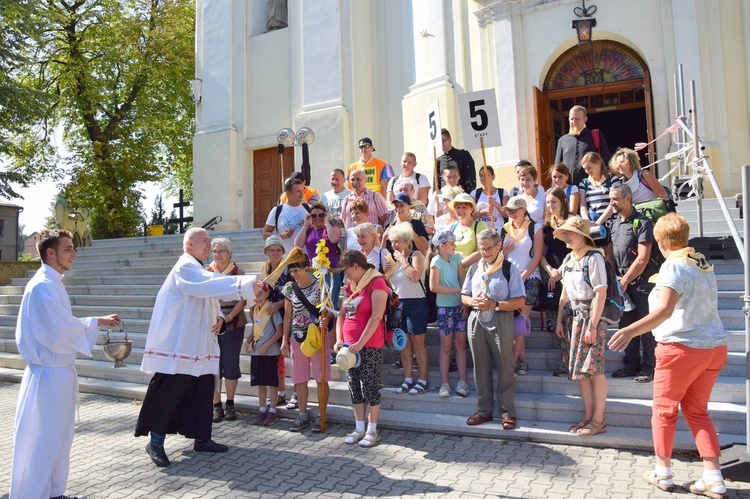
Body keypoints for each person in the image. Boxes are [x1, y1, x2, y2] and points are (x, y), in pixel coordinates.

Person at [609, 214, 729, 498]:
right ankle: (714, 478)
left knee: (663, 412)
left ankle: (662, 472)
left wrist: (629, 331)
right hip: (713, 347)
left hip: (682, 348)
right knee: (698, 412)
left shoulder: (673, 266)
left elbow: (663, 311)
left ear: (661, 242)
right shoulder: (702, 265)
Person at [135, 228, 262, 467]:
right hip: (179, 345)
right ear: (188, 244)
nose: (208, 245)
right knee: (169, 393)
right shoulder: (185, 267)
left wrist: (220, 319)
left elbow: (208, 295)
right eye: (204, 241)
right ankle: (156, 442)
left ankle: (202, 438)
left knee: (202, 391)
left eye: (209, 241)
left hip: (199, 344)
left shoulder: (197, 268)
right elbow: (203, 286)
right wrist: (246, 284)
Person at [10, 229, 120, 499]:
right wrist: (94, 321)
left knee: (59, 439)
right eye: (68, 248)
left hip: (57, 375)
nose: (75, 253)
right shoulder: (42, 286)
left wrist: (97, 320)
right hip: (48, 376)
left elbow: (60, 325)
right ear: (51, 252)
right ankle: (32, 494)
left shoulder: (53, 282)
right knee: (43, 440)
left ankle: (53, 492)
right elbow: (59, 331)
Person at [461, 229, 525, 428]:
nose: (485, 253)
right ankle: (484, 410)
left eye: (489, 248)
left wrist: (495, 305)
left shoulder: (509, 269)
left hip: (501, 319)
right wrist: (473, 301)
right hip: (477, 319)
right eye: (481, 249)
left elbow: (520, 301)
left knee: (505, 366)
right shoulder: (474, 268)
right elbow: (464, 296)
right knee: (480, 366)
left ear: (499, 246)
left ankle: (507, 412)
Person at [554, 216, 609, 437]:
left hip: (590, 318)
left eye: (570, 233)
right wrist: (559, 319)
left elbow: (600, 292)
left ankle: (598, 420)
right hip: (574, 318)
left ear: (583, 236)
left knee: (595, 370)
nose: (566, 236)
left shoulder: (593, 257)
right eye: (564, 233)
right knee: (581, 372)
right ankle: (588, 416)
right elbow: (564, 293)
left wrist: (593, 325)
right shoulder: (569, 259)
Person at [335, 250, 389, 448]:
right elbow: (341, 314)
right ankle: (359, 427)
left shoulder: (377, 282)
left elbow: (376, 316)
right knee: (354, 387)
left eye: (347, 270)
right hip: (349, 348)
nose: (345, 275)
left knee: (370, 387)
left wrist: (361, 343)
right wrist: (340, 338)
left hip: (370, 345)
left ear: (357, 266)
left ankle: (372, 430)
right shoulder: (351, 285)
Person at [608, 183, 658, 383]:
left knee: (645, 326)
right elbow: (610, 254)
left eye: (615, 199)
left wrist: (625, 280)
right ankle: (631, 364)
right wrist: (615, 279)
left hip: (642, 283)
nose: (612, 202)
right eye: (611, 199)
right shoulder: (614, 224)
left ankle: (648, 367)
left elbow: (643, 258)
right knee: (626, 324)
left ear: (627, 198)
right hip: (622, 284)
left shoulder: (643, 222)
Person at [280, 257, 332, 433]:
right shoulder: (289, 288)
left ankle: (321, 415)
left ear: (306, 268)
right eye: (292, 271)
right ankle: (302, 414)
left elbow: (330, 310)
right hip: (297, 335)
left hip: (317, 335)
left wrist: (325, 320)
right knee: (299, 377)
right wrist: (284, 340)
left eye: (297, 270)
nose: (295, 274)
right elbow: (288, 316)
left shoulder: (320, 284)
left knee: (321, 377)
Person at [500, 196, 544, 376]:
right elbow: (498, 256)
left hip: (530, 277)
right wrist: (504, 252)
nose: (510, 214)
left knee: (520, 321)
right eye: (508, 211)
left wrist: (524, 275)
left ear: (523, 210)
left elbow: (537, 255)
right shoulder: (503, 229)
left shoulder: (535, 228)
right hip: (509, 279)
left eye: (513, 211)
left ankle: (510, 365)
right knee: (512, 323)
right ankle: (523, 362)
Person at [208, 237, 248, 423]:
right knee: (213, 366)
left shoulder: (238, 272)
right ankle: (217, 407)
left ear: (230, 253)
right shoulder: (206, 272)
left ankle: (230, 404)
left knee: (231, 365)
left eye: (222, 250)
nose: (218, 254)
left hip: (233, 323)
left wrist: (229, 317)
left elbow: (243, 298)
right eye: (215, 250)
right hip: (211, 324)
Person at [388, 223, 430, 395]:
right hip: (400, 305)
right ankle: (408, 379)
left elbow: (414, 276)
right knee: (403, 344)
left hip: (417, 303)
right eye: (392, 242)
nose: (394, 246)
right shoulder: (393, 261)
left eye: (397, 242)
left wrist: (403, 261)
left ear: (406, 242)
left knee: (418, 344)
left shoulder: (416, 255)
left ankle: (422, 380)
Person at [429, 231, 469, 398]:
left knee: (460, 344)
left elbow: (462, 279)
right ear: (442, 246)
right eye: (451, 243)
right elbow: (434, 287)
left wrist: (464, 300)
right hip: (444, 308)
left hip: (459, 306)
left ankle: (462, 382)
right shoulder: (436, 261)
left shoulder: (457, 258)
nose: (455, 245)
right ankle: (444, 384)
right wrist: (458, 291)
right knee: (446, 346)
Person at [539, 187, 573, 376]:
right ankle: (564, 359)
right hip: (551, 276)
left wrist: (562, 270)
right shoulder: (545, 227)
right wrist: (550, 270)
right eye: (548, 203)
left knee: (569, 318)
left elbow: (577, 250)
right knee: (556, 318)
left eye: (554, 202)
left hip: (570, 274)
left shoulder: (572, 222)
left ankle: (573, 358)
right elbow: (541, 255)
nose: (551, 206)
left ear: (563, 202)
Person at [260, 235, 294, 409]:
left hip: (288, 315)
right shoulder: (264, 269)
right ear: (266, 252)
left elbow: (294, 293)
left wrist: (280, 303)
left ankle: (295, 393)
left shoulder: (288, 269)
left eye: (278, 250)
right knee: (277, 359)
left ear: (283, 252)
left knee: (292, 356)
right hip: (271, 317)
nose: (275, 253)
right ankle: (281, 393)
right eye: (271, 250)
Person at [245, 283, 283, 426]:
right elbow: (254, 330)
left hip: (270, 351)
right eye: (255, 295)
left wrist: (267, 345)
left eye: (260, 294)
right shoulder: (255, 310)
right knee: (260, 381)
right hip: (257, 351)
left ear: (267, 294)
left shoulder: (272, 309)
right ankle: (262, 409)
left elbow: (279, 332)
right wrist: (247, 342)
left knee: (272, 382)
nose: (257, 297)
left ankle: (272, 410)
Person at [294, 201, 342, 307]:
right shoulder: (309, 231)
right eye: (314, 216)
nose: (317, 218)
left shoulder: (333, 228)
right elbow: (297, 245)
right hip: (313, 272)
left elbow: (333, 239)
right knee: (315, 304)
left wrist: (326, 222)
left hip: (331, 272)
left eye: (321, 215)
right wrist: (306, 225)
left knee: (331, 304)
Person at [579, 151, 621, 266]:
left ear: (598, 163)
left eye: (589, 167)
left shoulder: (612, 179)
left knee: (609, 255)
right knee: (594, 255)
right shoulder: (584, 183)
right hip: (592, 223)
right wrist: (587, 221)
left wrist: (599, 222)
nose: (587, 171)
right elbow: (583, 203)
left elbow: (613, 203)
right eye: (585, 169)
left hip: (610, 222)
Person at [555, 105, 612, 186]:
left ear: (585, 119)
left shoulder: (595, 135)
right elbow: (557, 167)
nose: (574, 122)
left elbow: (606, 160)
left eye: (577, 119)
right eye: (572, 119)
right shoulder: (562, 140)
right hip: (569, 188)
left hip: (591, 187)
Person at [263, 177, 310, 254]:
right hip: (286, 259)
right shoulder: (277, 210)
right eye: (298, 191)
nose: (302, 194)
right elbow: (265, 235)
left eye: (302, 190)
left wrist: (310, 226)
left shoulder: (309, 209)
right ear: (288, 193)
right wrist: (281, 236)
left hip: (307, 260)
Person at [447, 193, 487, 258]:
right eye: (458, 207)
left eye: (464, 207)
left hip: (471, 267)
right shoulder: (451, 228)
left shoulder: (479, 226)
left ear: (471, 209)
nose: (460, 210)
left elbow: (481, 251)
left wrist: (462, 265)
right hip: (452, 267)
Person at [438, 128, 476, 193]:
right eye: (439, 141)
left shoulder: (463, 155)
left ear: (450, 140)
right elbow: (437, 184)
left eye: (444, 140)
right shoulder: (439, 160)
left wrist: (469, 195)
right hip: (445, 198)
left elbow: (470, 178)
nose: (442, 144)